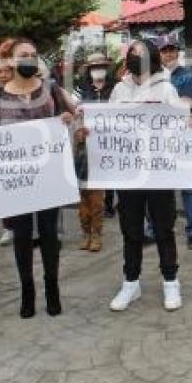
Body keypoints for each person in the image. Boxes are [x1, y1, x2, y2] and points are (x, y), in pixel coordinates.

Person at [0, 38, 74, 319]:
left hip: (49, 176)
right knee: (21, 235)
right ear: (10, 60)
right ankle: (27, 291)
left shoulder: (52, 90)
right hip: (17, 179)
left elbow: (72, 115)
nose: (30, 59)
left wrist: (71, 121)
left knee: (49, 233)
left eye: (34, 55)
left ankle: (52, 289)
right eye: (24, 55)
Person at [108, 39, 184, 312]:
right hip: (128, 174)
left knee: (164, 228)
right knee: (131, 229)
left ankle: (170, 281)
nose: (133, 57)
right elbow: (108, 126)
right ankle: (131, 283)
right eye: (131, 53)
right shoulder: (119, 89)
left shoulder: (166, 89)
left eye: (139, 53)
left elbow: (178, 126)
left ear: (152, 58)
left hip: (159, 174)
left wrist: (184, 120)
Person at [158, 34, 192, 249]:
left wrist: (191, 113)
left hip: (183, 137)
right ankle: (156, 227)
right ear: (158, 54)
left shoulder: (187, 76)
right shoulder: (154, 78)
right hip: (159, 138)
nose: (168, 53)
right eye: (164, 50)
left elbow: (191, 105)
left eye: (171, 49)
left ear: (177, 51)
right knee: (160, 185)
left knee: (188, 186)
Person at [74, 52, 116, 253]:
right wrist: (77, 126)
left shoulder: (115, 90)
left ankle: (97, 233)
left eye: (101, 65)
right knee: (83, 194)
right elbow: (72, 117)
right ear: (88, 70)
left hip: (106, 149)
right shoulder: (80, 92)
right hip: (83, 148)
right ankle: (85, 232)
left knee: (98, 195)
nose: (97, 69)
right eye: (93, 66)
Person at [0, 38, 17, 247]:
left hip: (23, 149)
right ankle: (8, 228)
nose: (2, 75)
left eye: (6, 71)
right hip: (2, 149)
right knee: (6, 190)